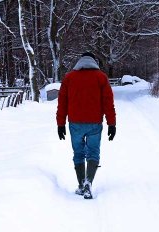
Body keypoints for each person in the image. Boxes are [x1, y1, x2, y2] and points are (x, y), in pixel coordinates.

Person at [56, 52, 116, 199]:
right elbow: (108, 102)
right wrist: (111, 124)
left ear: (80, 62)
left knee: (78, 153)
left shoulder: (69, 77)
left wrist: (60, 124)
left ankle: (81, 184)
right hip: (94, 123)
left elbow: (62, 102)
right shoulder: (101, 77)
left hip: (75, 123)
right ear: (94, 62)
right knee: (93, 152)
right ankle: (89, 182)